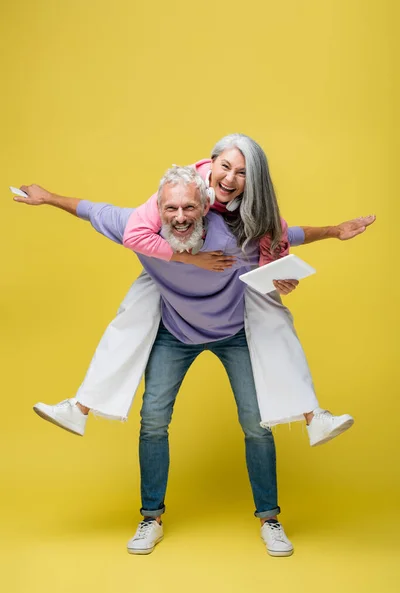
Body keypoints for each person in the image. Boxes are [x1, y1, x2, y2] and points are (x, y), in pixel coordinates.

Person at [16, 134, 375, 445]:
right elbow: (95, 211)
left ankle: (312, 415)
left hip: (233, 314)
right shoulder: (155, 215)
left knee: (273, 311)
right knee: (130, 319)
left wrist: (318, 241)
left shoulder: (240, 229)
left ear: (204, 206)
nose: (180, 217)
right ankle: (80, 407)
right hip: (171, 304)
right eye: (224, 167)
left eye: (242, 173)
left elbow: (287, 234)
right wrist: (47, 197)